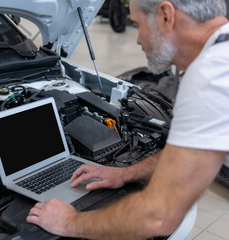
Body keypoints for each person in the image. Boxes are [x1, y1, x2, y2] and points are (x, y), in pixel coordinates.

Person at [26, 0, 229, 239]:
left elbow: (158, 216)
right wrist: (125, 173)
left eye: (137, 24)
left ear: (166, 16)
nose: (137, 39)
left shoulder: (211, 77)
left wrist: (70, 222)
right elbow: (186, 154)